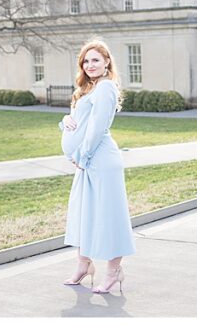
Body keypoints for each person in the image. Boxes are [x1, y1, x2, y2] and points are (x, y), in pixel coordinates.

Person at [59, 39, 136, 294]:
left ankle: (114, 271)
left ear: (106, 63)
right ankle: (84, 266)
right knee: (85, 213)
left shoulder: (105, 88)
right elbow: (80, 122)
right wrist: (66, 121)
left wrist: (82, 155)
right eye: (86, 60)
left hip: (100, 160)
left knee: (108, 215)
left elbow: (97, 128)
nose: (90, 65)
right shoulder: (89, 88)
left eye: (95, 60)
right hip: (88, 161)